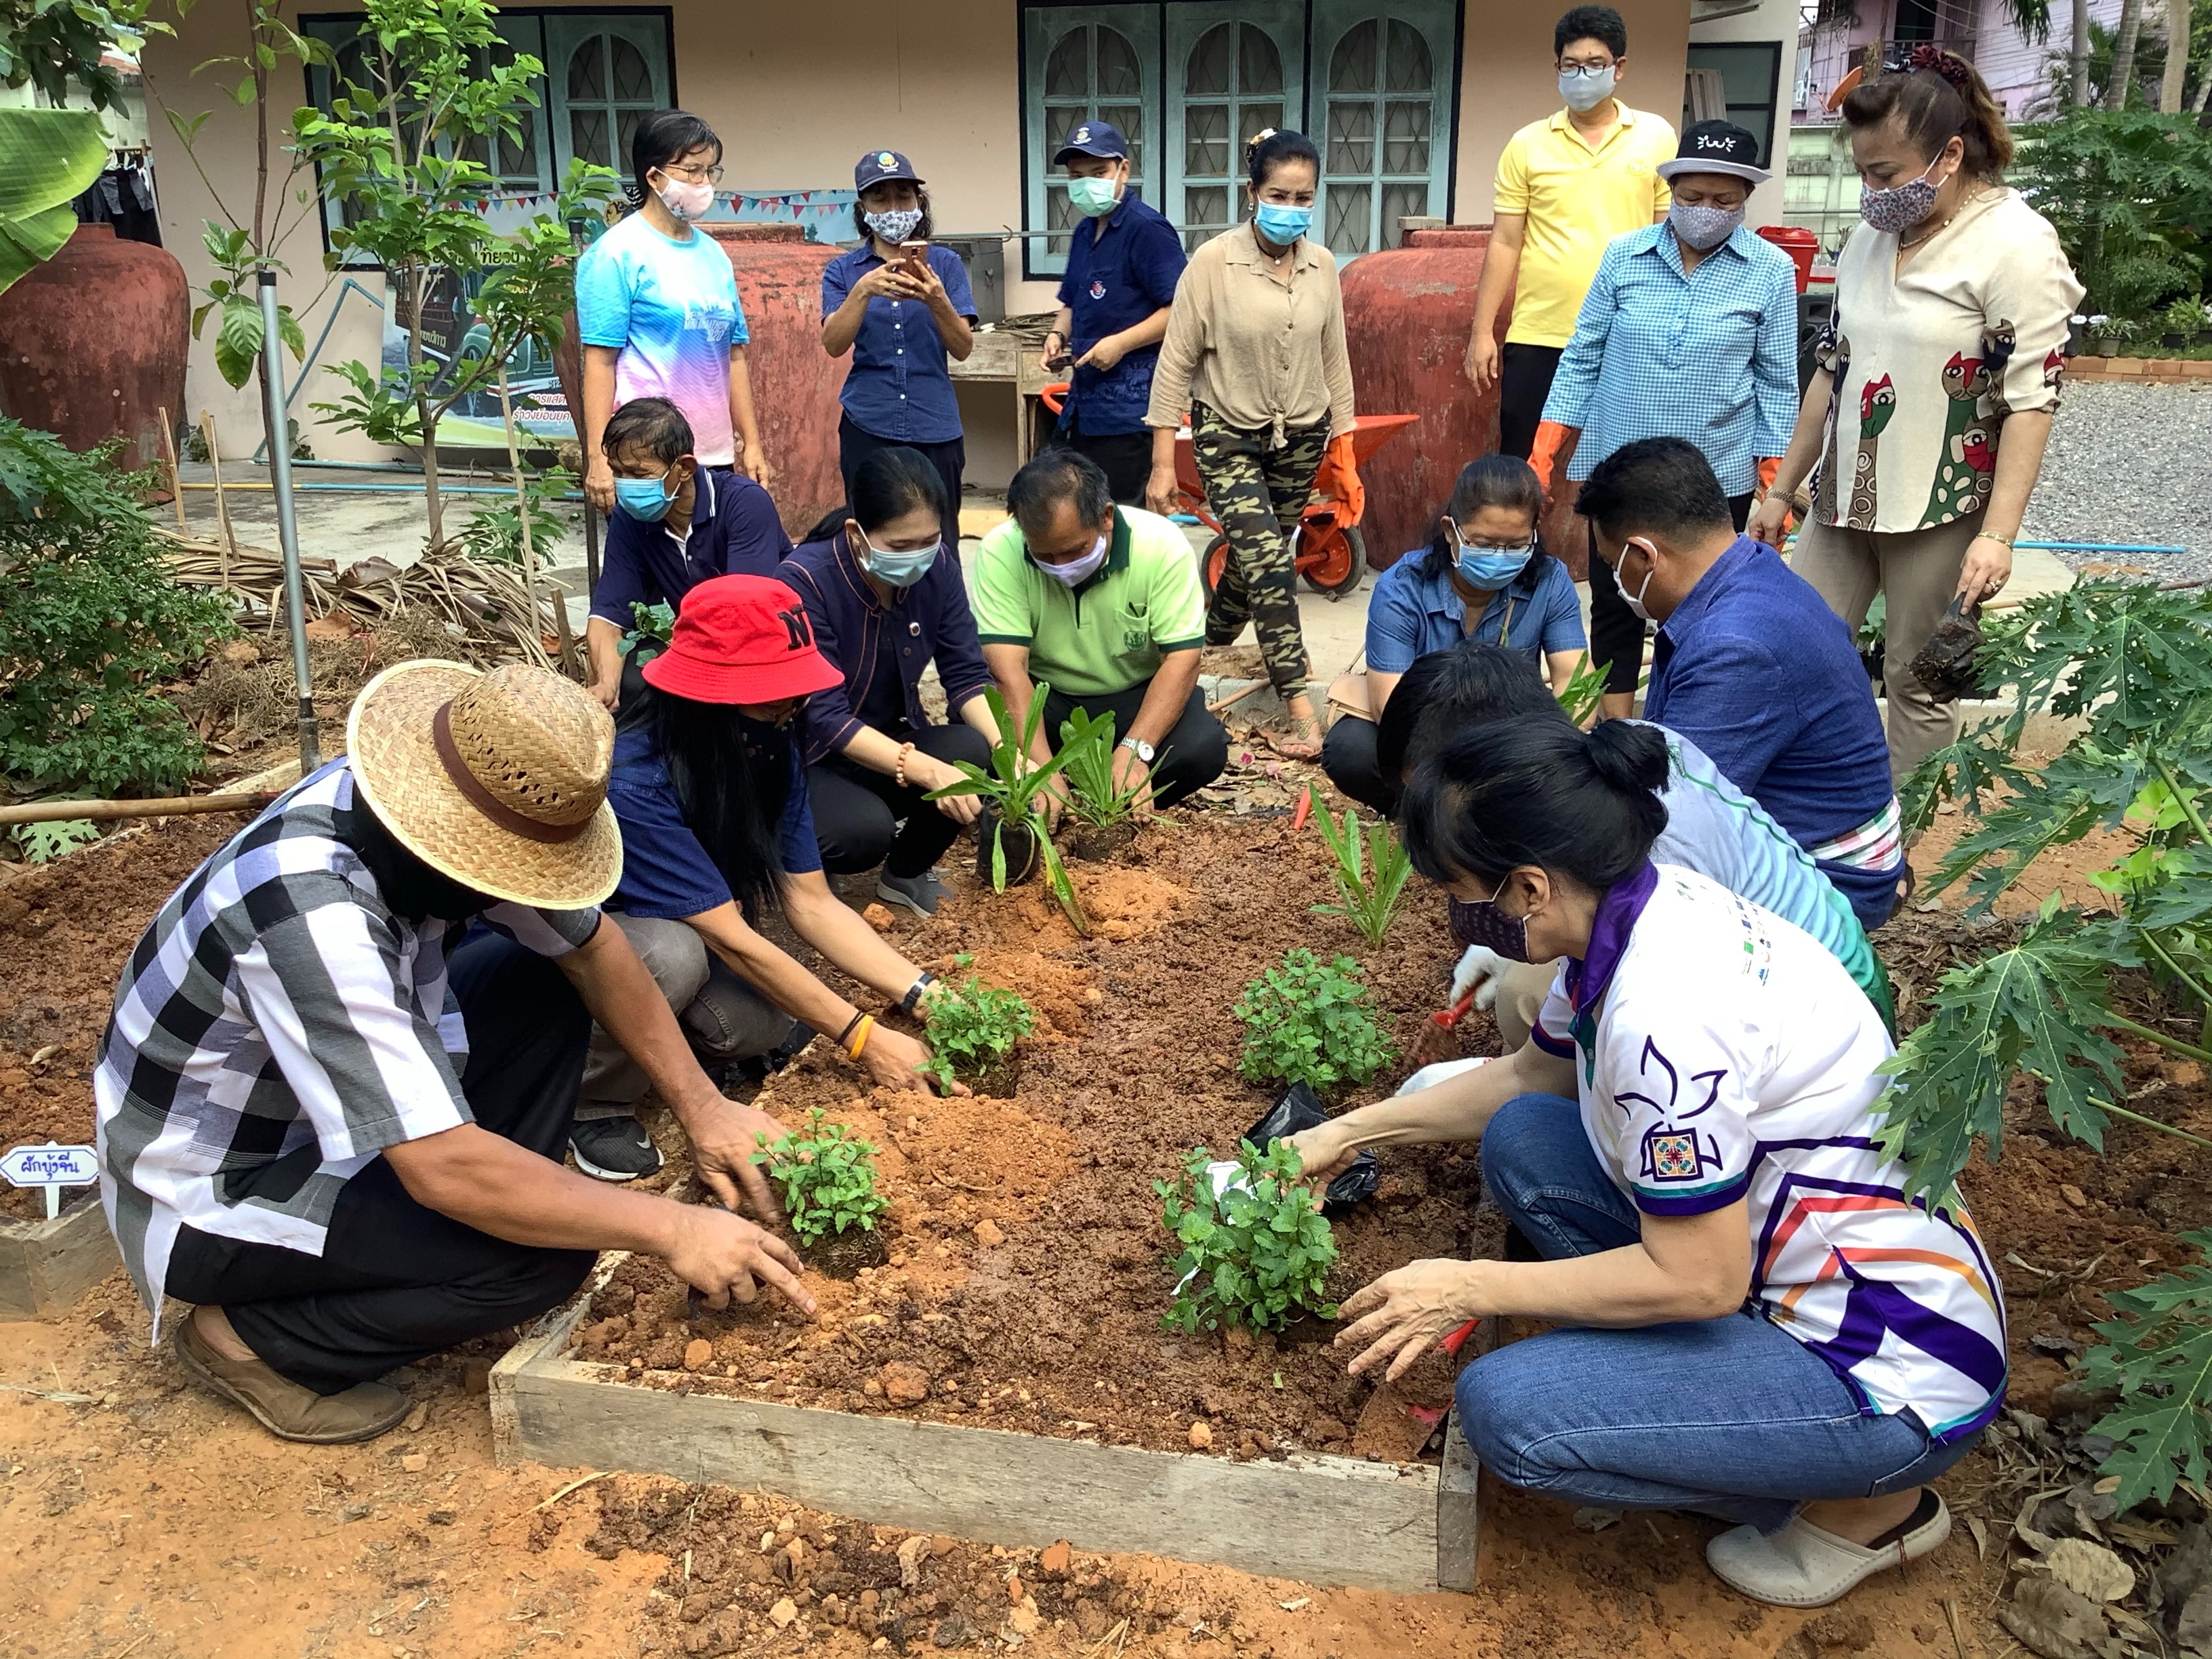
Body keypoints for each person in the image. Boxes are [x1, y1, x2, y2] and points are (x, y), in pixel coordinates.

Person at [1290, 717, 2003, 1608]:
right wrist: (1342, 1136)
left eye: (1466, 893)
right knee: (1528, 1139)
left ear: (1529, 887)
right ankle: (1707, 1401)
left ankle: (1864, 1505)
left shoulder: (1662, 1021)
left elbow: (1701, 1279)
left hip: (1886, 1366)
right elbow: (1525, 1077)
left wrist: (1468, 1287)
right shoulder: (1636, 911)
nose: (1457, 914)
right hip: (1801, 1259)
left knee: (1509, 1417)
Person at [96, 662, 813, 1443]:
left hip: (327, 1116)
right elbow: (441, 1170)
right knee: (532, 1265)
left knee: (540, 982)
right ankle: (251, 1342)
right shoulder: (311, 913)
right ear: (438, 839)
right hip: (218, 1188)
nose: (510, 890)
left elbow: (598, 949)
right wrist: (672, 1229)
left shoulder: (440, 797)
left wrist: (705, 1107)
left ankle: (488, 1220)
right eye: (498, 873)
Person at [1749, 46, 2081, 783]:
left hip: (1941, 505)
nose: (1871, 191)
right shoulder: (1872, 238)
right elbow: (1832, 370)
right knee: (1796, 656)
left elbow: (2032, 400)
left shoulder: (2017, 244)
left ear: (1951, 154)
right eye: (1864, 171)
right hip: (1840, 501)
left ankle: (1901, 860)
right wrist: (1780, 491)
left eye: (1886, 174)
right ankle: (1817, 818)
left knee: (1919, 682)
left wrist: (1998, 536)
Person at [573, 574, 968, 1181]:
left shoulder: (764, 742)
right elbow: (731, 936)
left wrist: (924, 995)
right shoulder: (634, 781)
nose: (789, 709)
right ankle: (591, 1097)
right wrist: (864, 1040)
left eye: (794, 693)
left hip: (700, 928)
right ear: (705, 697)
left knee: (752, 1028)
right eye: (770, 695)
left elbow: (810, 902)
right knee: (672, 955)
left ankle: (667, 1033)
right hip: (602, 950)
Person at [1374, 641, 1892, 1044]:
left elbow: (1666, 1026)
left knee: (1527, 1003)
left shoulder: (1652, 851)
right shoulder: (1612, 758)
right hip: (1781, 969)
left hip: (1825, 1009)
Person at [1578, 438, 1905, 932]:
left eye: (1610, 564)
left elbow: (1667, 814)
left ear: (1643, 555)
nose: (1612, 580)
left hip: (1830, 883)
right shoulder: (1746, 571)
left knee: (1546, 970)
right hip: (1819, 838)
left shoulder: (1735, 647)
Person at [1531, 119, 1798, 716]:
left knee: (1701, 610)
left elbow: (1778, 384)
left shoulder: (1772, 270)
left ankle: (1681, 728)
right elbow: (1583, 357)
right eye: (1692, 197)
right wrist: (1545, 455)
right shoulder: (1624, 256)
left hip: (1714, 480)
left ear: (1746, 200)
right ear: (1671, 193)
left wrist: (1774, 487)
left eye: (1723, 200)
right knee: (1615, 602)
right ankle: (1617, 732)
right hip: (1619, 469)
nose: (1706, 210)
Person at [1464, 5, 1675, 722]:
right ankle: (1504, 626)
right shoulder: (1528, 144)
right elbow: (1504, 242)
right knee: (1524, 481)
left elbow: (1667, 239)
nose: (1580, 75)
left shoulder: (1655, 138)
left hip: (1627, 340)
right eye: (1569, 64)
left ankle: (1607, 643)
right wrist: (1482, 331)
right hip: (1540, 336)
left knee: (1621, 483)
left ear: (1620, 67)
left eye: (1594, 64)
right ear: (1556, 68)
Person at [1145, 128, 1355, 760]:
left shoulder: (1323, 266)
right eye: (1278, 194)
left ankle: (1198, 660)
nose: (1290, 207)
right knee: (1268, 562)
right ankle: (1298, 705)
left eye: (1303, 197)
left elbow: (1334, 359)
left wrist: (1343, 450)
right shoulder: (1212, 263)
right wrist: (1162, 463)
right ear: (1251, 193)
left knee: (1247, 565)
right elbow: (1175, 364)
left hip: (1302, 435)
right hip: (1227, 432)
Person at [782, 447, 1000, 918]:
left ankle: (906, 875)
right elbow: (824, 717)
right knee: (862, 831)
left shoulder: (939, 566)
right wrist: (926, 770)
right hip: (810, 760)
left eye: (930, 539)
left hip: (887, 741)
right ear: (856, 533)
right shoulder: (805, 581)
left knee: (974, 751)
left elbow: (965, 674)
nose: (918, 557)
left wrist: (1008, 749)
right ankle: (803, 868)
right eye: (900, 547)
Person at [1319, 456, 1585, 815]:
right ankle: (1419, 816)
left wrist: (1550, 756)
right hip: (1426, 738)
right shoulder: (1402, 588)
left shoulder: (1550, 582)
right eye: (1485, 544)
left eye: (1516, 546)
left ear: (1534, 535)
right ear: (1451, 531)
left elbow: (1576, 681)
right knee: (1352, 749)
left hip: (1512, 736)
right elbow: (1391, 706)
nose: (1499, 557)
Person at [972, 449, 1227, 814]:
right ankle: (1059, 789)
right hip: (1046, 699)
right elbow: (1008, 673)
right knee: (976, 740)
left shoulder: (1161, 545)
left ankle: (1117, 794)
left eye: (1075, 550)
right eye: (1045, 557)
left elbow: (1182, 659)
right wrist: (1038, 768)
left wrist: (1136, 749)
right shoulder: (1002, 550)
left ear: (1106, 517)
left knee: (1202, 747)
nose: (1061, 567)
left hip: (1133, 698)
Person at [577, 110, 771, 520]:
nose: (704, 184)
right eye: (692, 171)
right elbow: (599, 361)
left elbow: (733, 356)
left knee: (708, 574)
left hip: (712, 453)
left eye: (710, 171)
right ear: (653, 177)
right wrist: (597, 457)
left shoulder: (714, 255)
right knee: (649, 576)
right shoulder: (616, 254)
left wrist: (750, 442)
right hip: (647, 458)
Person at [584, 396, 794, 710]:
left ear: (684, 468)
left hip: (770, 651)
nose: (625, 485)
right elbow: (608, 619)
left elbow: (746, 620)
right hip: (701, 653)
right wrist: (606, 685)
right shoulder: (631, 518)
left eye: (638, 474)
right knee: (633, 683)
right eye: (618, 472)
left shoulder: (745, 504)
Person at [821, 150, 978, 555]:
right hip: (867, 422)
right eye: (880, 199)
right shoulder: (843, 271)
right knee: (869, 537)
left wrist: (938, 300)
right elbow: (834, 344)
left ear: (919, 202)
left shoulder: (946, 263)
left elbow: (963, 348)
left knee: (941, 537)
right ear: (863, 208)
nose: (894, 208)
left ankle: (942, 616)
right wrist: (862, 291)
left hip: (935, 424)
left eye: (904, 197)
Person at [1040, 121, 1187, 504]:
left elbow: (1181, 311)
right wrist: (1057, 336)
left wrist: (1121, 344)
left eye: (1099, 172)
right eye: (1076, 176)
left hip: (1131, 413)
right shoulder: (1084, 233)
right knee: (1071, 512)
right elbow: (1072, 300)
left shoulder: (1148, 230)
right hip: (1083, 406)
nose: (1087, 183)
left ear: (1124, 169)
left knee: (1120, 522)